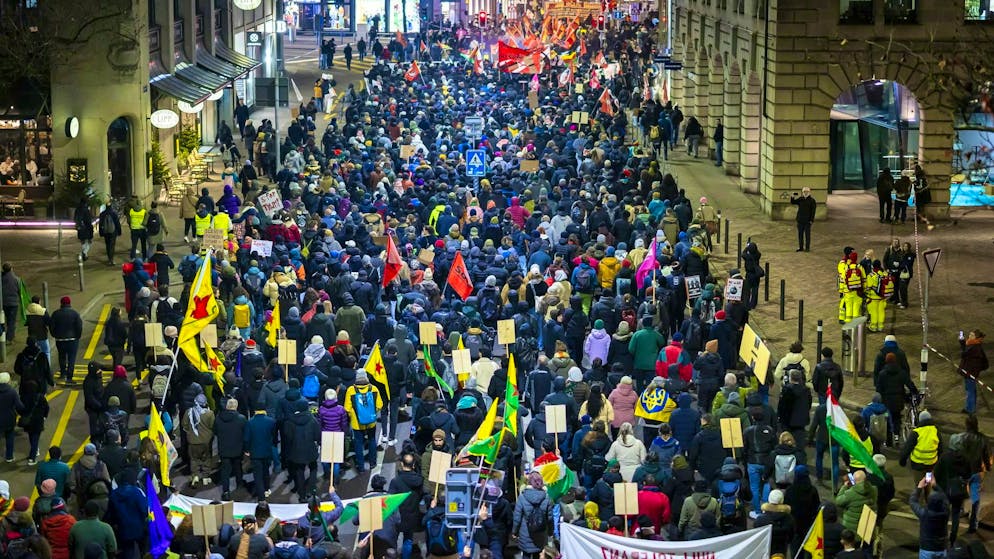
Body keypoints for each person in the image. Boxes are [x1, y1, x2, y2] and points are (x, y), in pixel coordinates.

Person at [909, 474, 950, 559]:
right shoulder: (946, 512)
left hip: (927, 548)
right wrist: (935, 485)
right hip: (941, 547)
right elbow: (945, 498)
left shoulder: (924, 514)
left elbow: (913, 501)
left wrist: (919, 487)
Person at [51, 297, 82, 386]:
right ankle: (69, 377)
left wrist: (55, 335)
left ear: (61, 303)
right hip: (72, 339)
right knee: (71, 359)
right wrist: (77, 336)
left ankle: (62, 373)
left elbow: (52, 326)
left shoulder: (56, 314)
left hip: (60, 340)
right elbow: (79, 326)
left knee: (61, 357)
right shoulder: (74, 314)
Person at [958, 329, 988, 415]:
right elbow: (966, 351)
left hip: (970, 373)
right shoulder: (973, 345)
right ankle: (970, 408)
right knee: (971, 390)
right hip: (970, 372)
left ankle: (970, 410)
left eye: (972, 335)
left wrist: (974, 372)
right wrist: (962, 342)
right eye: (969, 334)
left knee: (970, 391)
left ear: (976, 337)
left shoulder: (975, 347)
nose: (969, 336)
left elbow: (965, 354)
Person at [789, 187, 816, 252]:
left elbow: (813, 211)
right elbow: (793, 202)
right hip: (800, 220)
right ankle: (801, 247)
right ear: (802, 192)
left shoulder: (812, 201)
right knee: (800, 235)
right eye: (804, 191)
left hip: (807, 221)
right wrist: (792, 197)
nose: (805, 193)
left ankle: (807, 248)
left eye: (807, 191)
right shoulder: (801, 199)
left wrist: (811, 220)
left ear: (809, 192)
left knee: (807, 235)